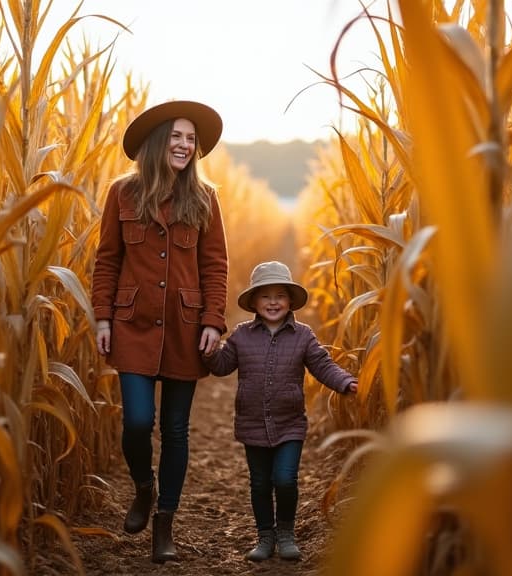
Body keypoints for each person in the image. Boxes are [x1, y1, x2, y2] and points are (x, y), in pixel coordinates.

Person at [91, 100, 228, 563]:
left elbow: (215, 266)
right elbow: (107, 259)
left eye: (191, 139)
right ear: (157, 143)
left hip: (186, 330)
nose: (185, 146)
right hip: (131, 325)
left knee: (175, 430)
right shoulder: (122, 194)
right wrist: (103, 317)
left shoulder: (205, 199)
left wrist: (212, 321)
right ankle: (144, 488)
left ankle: (163, 526)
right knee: (135, 422)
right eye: (177, 137)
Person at [204, 261, 357, 562]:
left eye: (280, 296)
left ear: (289, 301)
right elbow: (222, 366)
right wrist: (209, 352)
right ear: (254, 302)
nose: (273, 302)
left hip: (290, 423)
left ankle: (286, 532)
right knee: (260, 482)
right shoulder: (241, 335)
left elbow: (322, 365)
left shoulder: (303, 335)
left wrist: (345, 382)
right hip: (252, 423)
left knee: (285, 479)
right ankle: (265, 536)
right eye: (265, 296)